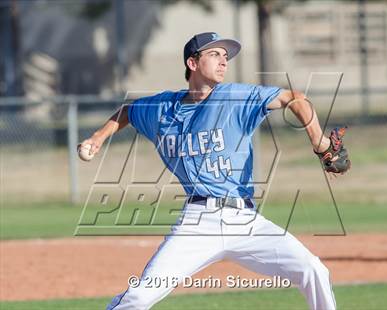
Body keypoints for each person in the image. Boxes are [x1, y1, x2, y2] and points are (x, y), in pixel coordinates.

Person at [80, 32, 348, 310]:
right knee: (139, 297)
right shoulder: (162, 108)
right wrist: (97, 138)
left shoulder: (235, 97)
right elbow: (128, 111)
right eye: (214, 54)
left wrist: (320, 143)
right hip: (198, 223)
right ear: (192, 63)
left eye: (226, 56)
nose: (224, 61)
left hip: (245, 221)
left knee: (313, 270)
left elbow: (295, 99)